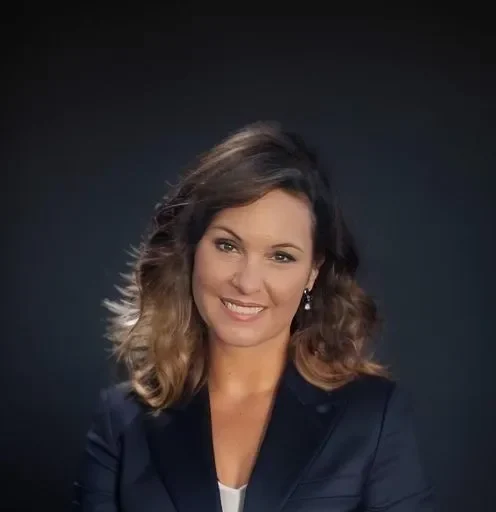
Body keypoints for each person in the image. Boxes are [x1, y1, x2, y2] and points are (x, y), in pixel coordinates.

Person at [73, 122, 436, 511]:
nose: (247, 282)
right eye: (228, 245)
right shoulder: (123, 420)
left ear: (313, 271)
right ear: (192, 250)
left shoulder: (373, 416)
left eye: (281, 256)